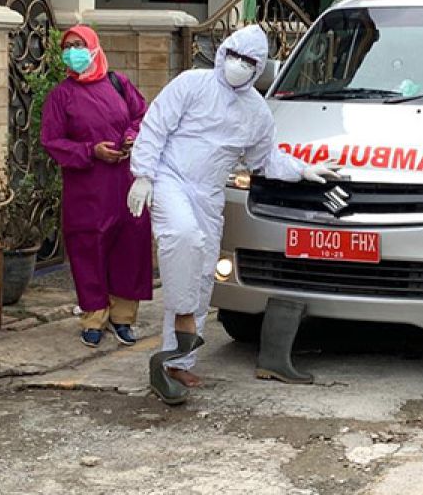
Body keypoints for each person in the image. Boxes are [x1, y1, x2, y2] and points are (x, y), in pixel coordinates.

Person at [127, 25, 338, 404]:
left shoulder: (256, 111)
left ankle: (180, 360)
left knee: (204, 271)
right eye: (235, 57)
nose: (239, 66)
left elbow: (265, 158)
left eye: (249, 62)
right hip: (171, 178)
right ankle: (182, 325)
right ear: (223, 53)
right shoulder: (192, 84)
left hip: (209, 193)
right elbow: (155, 127)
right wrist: (143, 175)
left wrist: (303, 170)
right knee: (182, 239)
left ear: (259, 69)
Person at [41, 26, 152, 348]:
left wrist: (131, 139)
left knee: (129, 247)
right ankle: (93, 316)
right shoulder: (61, 96)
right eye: (68, 46)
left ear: (93, 48)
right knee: (88, 248)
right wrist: (91, 150)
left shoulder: (119, 84)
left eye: (79, 45)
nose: (73, 51)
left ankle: (123, 317)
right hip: (86, 188)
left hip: (125, 182)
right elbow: (52, 141)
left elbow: (142, 116)